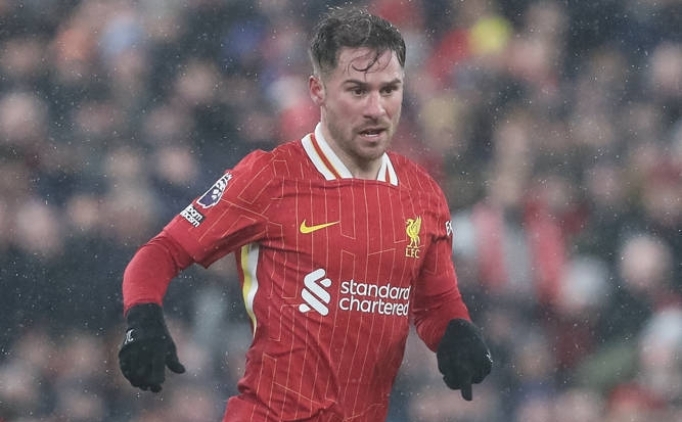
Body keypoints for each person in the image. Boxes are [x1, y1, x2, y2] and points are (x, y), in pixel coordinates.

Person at [118, 6, 492, 422]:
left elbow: (436, 302)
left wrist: (456, 332)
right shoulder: (270, 177)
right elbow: (162, 251)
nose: (376, 108)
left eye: (389, 90)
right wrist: (143, 317)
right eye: (357, 91)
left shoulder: (423, 194)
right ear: (318, 91)